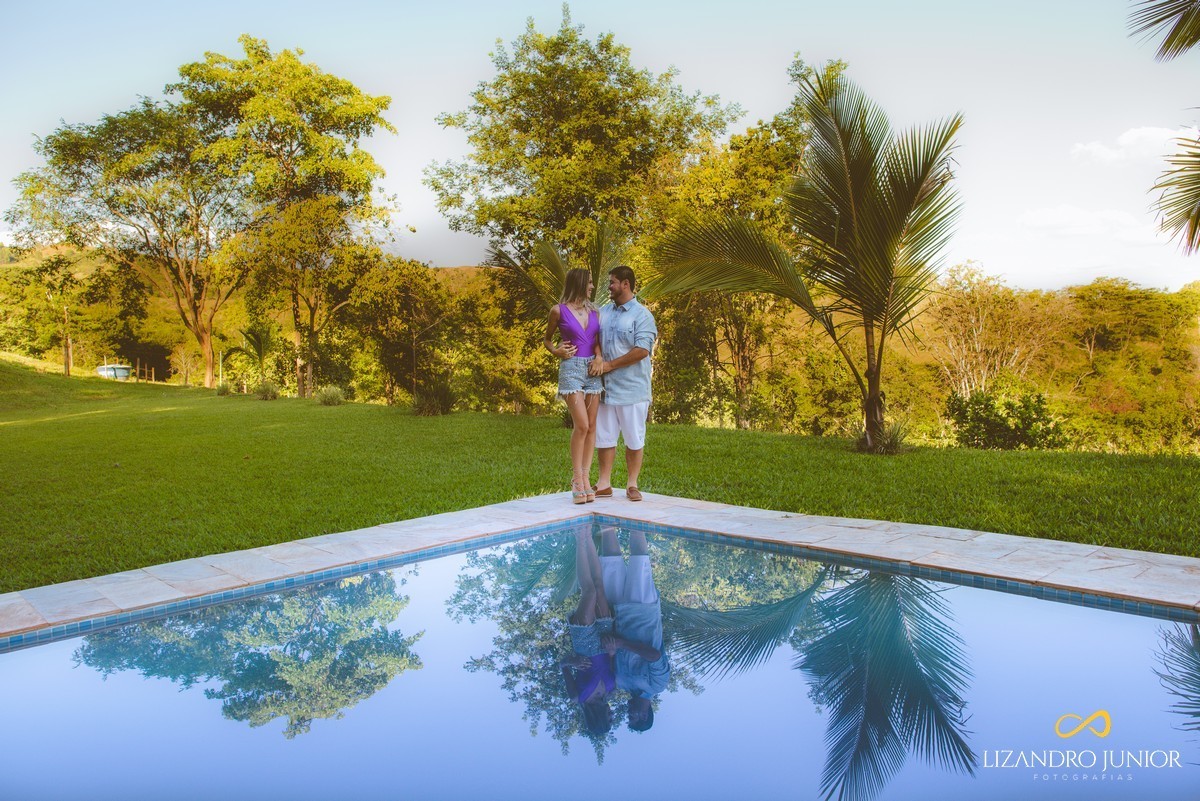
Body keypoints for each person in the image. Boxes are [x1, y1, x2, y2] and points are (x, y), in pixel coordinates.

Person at [589, 265, 657, 502]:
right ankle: (604, 484)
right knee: (605, 437)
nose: (609, 286)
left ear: (626, 284)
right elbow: (594, 339)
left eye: (613, 282)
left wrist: (609, 365)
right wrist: (599, 359)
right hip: (605, 389)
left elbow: (641, 351)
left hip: (632, 389)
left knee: (634, 438)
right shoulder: (603, 312)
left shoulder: (642, 315)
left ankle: (632, 484)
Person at [599, 525, 669, 732]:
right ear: (645, 715)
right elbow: (654, 655)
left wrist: (612, 650)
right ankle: (634, 514)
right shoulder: (658, 685)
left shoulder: (623, 685)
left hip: (618, 613)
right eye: (633, 718)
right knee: (640, 560)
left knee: (610, 561)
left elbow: (613, 657)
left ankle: (605, 515)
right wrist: (622, 643)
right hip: (642, 613)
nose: (628, 714)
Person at [544, 269, 602, 504]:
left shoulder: (594, 311)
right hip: (571, 370)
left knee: (592, 426)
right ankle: (577, 479)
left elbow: (597, 341)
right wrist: (556, 350)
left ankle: (587, 479)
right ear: (579, 283)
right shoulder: (558, 310)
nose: (591, 287)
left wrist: (599, 357)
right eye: (588, 283)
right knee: (582, 424)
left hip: (593, 370)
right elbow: (547, 339)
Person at [560, 526, 614, 736]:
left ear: (599, 719)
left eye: (609, 718)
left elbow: (562, 665)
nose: (612, 715)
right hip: (603, 643)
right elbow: (610, 664)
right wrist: (612, 653)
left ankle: (579, 537)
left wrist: (572, 662)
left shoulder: (577, 697)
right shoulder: (610, 691)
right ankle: (588, 534)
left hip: (584, 645)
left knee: (589, 591)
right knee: (599, 587)